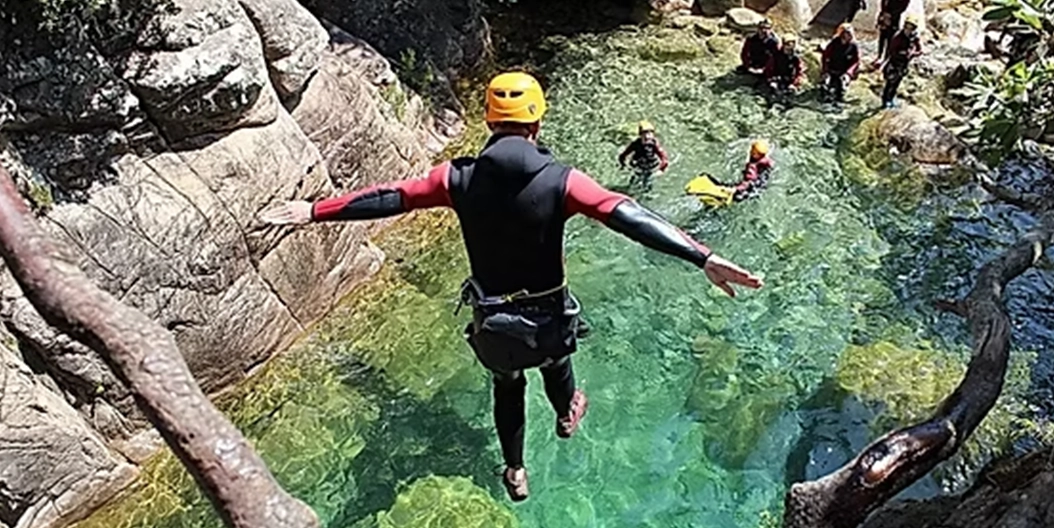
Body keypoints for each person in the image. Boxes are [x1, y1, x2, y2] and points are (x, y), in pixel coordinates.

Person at [260, 72, 764, 502]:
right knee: (558, 363)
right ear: (537, 122)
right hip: (550, 320)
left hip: (494, 323)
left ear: (488, 121)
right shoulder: (562, 181)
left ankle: (516, 469)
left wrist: (311, 210)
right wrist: (702, 256)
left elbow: (391, 198)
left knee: (507, 386)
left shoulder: (454, 179)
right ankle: (567, 414)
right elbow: (625, 213)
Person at [880, 16, 923, 108]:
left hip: (904, 64)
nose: (908, 30)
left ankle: (891, 99)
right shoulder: (898, 37)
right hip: (894, 63)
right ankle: (885, 101)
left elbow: (920, 50)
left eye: (911, 28)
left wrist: (912, 54)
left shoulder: (914, 37)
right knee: (890, 82)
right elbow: (891, 50)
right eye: (907, 27)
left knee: (897, 82)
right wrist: (902, 53)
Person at [619, 120, 670, 191]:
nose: (647, 136)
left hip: (650, 167)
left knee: (648, 184)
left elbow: (664, 158)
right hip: (638, 166)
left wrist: (661, 169)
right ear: (640, 135)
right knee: (633, 183)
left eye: (650, 133)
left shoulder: (654, 144)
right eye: (645, 134)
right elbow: (623, 155)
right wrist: (623, 165)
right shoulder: (635, 144)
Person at [820, 23, 861, 103]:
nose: (849, 36)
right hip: (831, 70)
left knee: (842, 88)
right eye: (847, 33)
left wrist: (848, 74)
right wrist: (825, 71)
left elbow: (856, 61)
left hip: (844, 72)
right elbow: (825, 57)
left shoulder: (853, 46)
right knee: (825, 86)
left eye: (850, 34)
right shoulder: (834, 43)